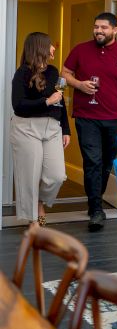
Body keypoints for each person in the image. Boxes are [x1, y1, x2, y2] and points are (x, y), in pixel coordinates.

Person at [62, 12, 117, 232]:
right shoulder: (80, 50)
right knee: (92, 162)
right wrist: (78, 84)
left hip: (115, 119)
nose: (99, 31)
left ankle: (96, 200)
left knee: (106, 164)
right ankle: (96, 208)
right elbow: (64, 73)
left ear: (115, 30)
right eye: (96, 27)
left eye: (104, 27)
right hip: (87, 118)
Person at [10, 32, 70, 225]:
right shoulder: (22, 73)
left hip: (52, 127)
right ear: (41, 47)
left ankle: (39, 201)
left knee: (57, 175)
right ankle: (32, 219)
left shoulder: (53, 72)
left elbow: (60, 102)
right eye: (51, 45)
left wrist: (66, 129)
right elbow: (18, 105)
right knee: (29, 175)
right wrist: (46, 101)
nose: (54, 48)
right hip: (26, 128)